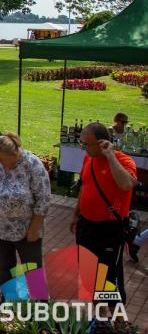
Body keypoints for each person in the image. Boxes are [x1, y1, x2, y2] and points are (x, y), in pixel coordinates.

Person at [70, 122, 137, 304]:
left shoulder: (123, 160)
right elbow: (85, 186)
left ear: (101, 143)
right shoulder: (88, 159)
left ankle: (115, 319)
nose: (82, 148)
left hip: (109, 229)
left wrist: (110, 156)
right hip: (86, 224)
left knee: (108, 277)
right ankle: (100, 313)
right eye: (81, 142)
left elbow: (126, 184)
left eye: (86, 144)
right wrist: (76, 213)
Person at [0, 134, 51, 289]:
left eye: (2, 160)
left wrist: (35, 227)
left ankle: (39, 308)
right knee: (6, 268)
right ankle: (8, 304)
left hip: (25, 230)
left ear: (14, 154)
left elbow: (44, 198)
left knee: (33, 270)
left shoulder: (32, 165)